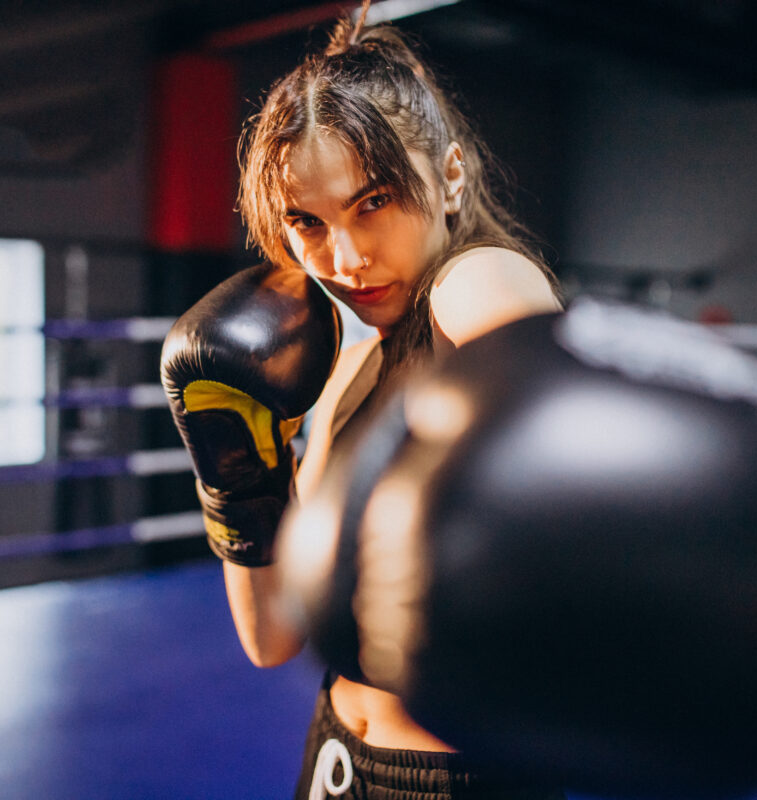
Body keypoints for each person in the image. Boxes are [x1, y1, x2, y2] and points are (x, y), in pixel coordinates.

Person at [225, 4, 564, 797]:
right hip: (335, 754)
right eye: (307, 221)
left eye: (373, 200)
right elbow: (272, 637)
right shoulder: (343, 370)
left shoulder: (472, 280)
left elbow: (549, 400)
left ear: (449, 176)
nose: (343, 258)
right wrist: (235, 466)